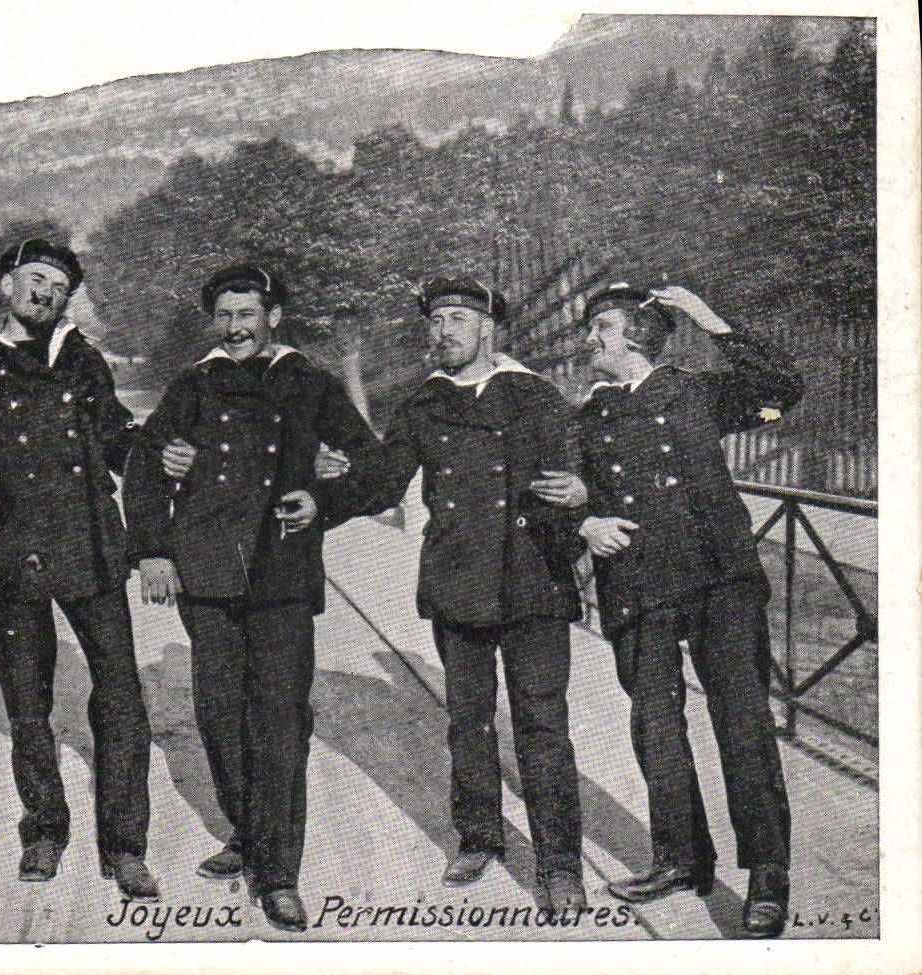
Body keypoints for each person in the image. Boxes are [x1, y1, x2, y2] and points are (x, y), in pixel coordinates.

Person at [319, 276, 588, 915]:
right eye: (435, 321)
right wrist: (328, 490)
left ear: (488, 327)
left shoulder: (536, 395)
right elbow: (383, 483)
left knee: (543, 724)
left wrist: (583, 497)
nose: (443, 332)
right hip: (458, 580)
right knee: (468, 718)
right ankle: (479, 835)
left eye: (458, 320)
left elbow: (583, 475)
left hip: (533, 581)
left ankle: (559, 864)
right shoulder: (423, 404)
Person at [127, 264, 381, 932]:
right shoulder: (193, 384)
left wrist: (323, 499)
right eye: (225, 316)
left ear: (274, 316)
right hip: (206, 573)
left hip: (281, 574)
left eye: (248, 314)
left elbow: (374, 464)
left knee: (275, 721)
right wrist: (152, 548)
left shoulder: (309, 384)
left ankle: (276, 873)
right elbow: (143, 462)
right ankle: (247, 831)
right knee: (217, 715)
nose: (235, 328)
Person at [547, 284, 801, 938]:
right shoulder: (585, 416)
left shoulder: (696, 392)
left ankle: (767, 873)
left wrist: (704, 316)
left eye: (598, 328)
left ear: (634, 334)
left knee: (741, 722)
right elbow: (549, 495)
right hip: (636, 584)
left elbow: (781, 387)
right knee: (654, 726)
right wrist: (584, 522)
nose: (588, 341)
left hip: (717, 580)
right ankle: (680, 858)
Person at [0, 239, 158, 900]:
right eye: (34, 280)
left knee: (120, 696)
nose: (45, 295)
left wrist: (154, 455)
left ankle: (124, 845)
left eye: (58, 287)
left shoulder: (83, 361)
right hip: (11, 548)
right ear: (6, 285)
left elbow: (115, 432)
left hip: (89, 543)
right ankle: (43, 830)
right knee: (27, 705)